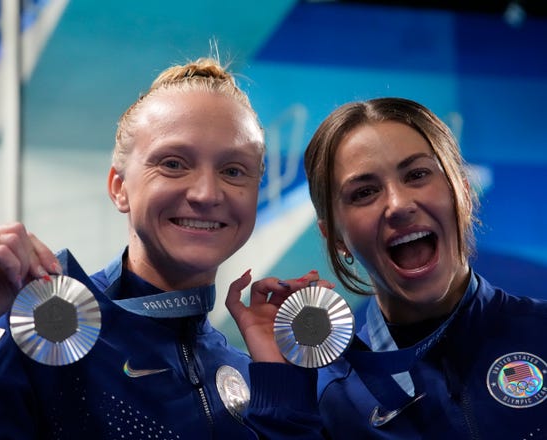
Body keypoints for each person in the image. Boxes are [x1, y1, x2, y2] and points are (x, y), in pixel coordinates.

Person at [0, 56, 319, 439]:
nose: (207, 192)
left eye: (233, 170)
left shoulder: (246, 367)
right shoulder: (41, 327)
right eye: (173, 163)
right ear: (119, 188)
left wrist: (281, 385)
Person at [226, 97, 547, 439]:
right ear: (335, 237)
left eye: (417, 174)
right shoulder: (328, 397)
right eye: (364, 192)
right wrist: (282, 390)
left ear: (463, 194)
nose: (398, 204)